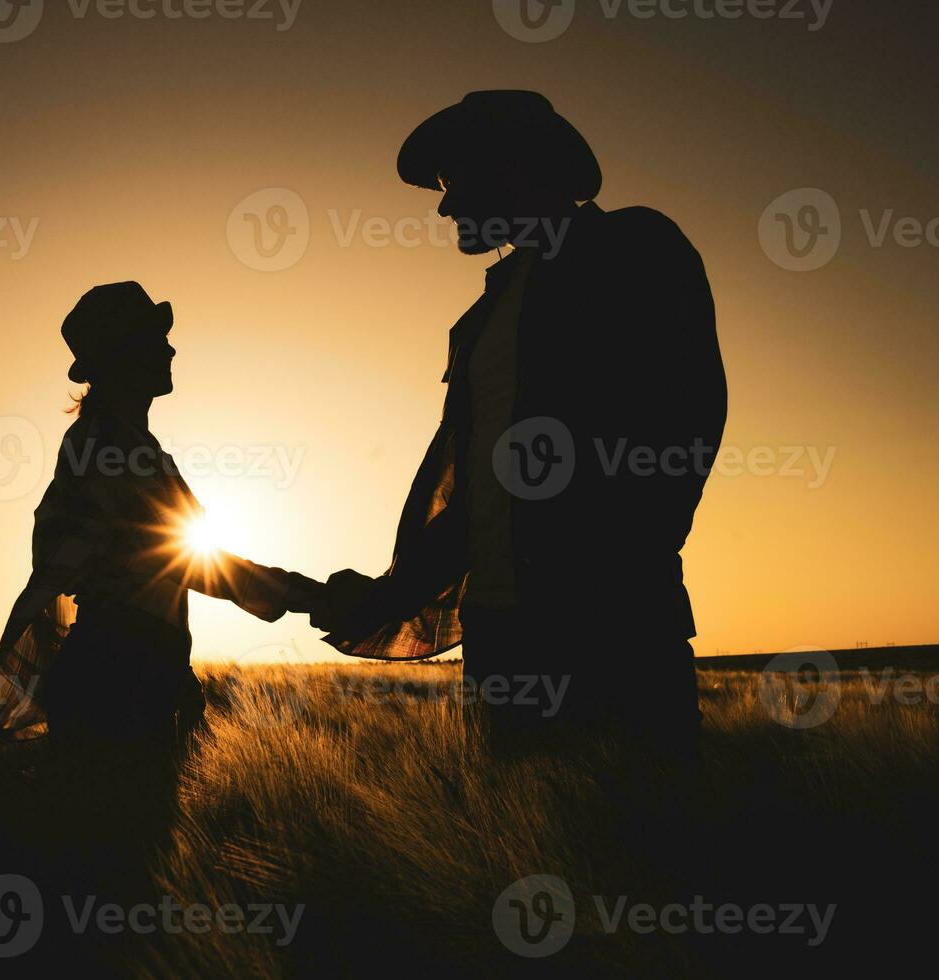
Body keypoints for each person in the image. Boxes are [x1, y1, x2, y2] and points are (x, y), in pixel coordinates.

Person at [308, 91, 728, 764]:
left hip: (613, 631)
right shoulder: (480, 321)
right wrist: (395, 593)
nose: (445, 206)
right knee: (518, 853)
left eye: (454, 182)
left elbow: (689, 419)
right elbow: (479, 496)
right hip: (499, 639)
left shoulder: (635, 247)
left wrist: (615, 577)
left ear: (513, 165)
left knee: (643, 844)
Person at [0, 281, 320, 746]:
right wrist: (307, 595)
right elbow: (176, 561)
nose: (171, 349)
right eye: (156, 339)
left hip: (132, 667)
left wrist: (173, 671)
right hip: (116, 676)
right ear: (125, 354)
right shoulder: (108, 446)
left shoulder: (132, 447)